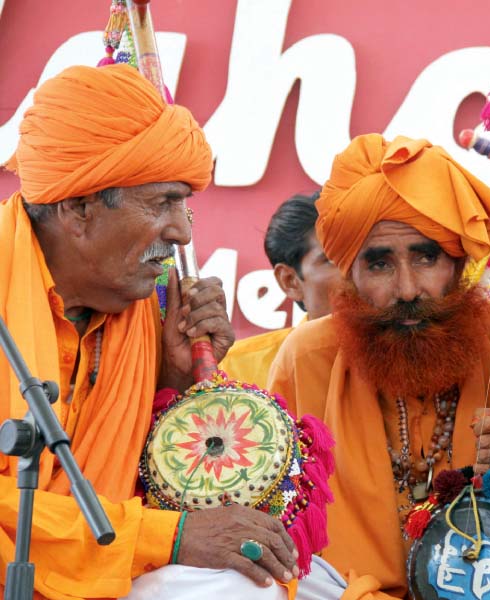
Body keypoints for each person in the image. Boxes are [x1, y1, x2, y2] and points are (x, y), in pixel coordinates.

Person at [0, 64, 306, 600]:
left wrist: (174, 385)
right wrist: (169, 536)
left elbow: (128, 479)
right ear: (77, 208)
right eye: (164, 202)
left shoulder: (143, 311)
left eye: (185, 205)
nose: (183, 231)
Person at [267, 133, 490, 598]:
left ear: (458, 265)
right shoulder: (308, 358)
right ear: (350, 276)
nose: (408, 290)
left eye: (427, 257)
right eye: (380, 264)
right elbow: (276, 524)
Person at [221, 191, 339, 387]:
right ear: (290, 280)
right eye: (334, 260)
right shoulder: (238, 372)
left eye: (368, 258)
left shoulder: (401, 363)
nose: (357, 273)